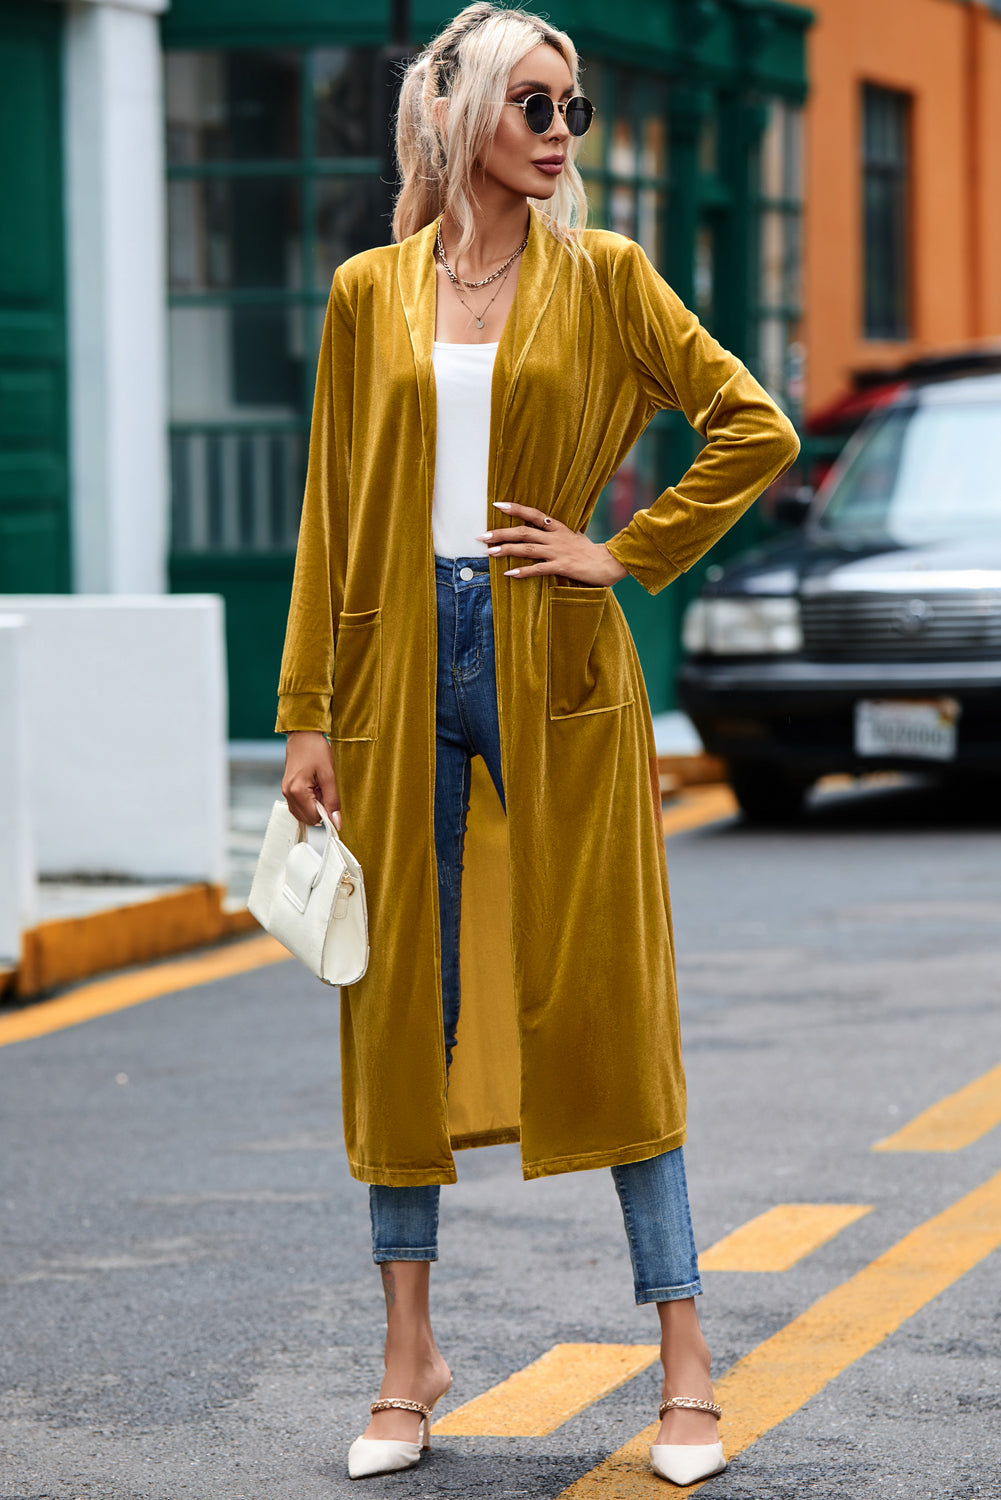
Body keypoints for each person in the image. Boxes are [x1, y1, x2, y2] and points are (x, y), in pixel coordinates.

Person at [277, 2, 799, 1485]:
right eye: (535, 105)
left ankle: (685, 1368)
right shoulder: (368, 291)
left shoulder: (608, 276)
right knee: (397, 1008)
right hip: (396, 670)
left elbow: (752, 426)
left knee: (609, 1002)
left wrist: (623, 554)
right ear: (458, 116)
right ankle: (408, 1360)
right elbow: (331, 511)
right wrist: (306, 711)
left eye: (574, 108)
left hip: (556, 659)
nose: (561, 132)